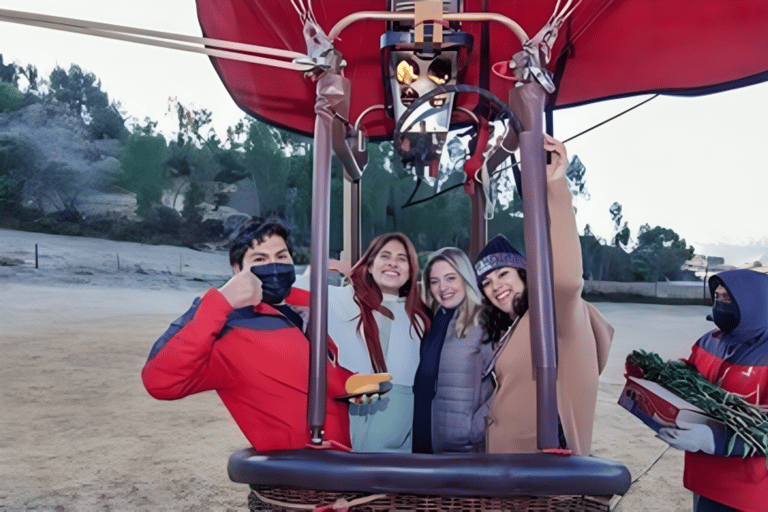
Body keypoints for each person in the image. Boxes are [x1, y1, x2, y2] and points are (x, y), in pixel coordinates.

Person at [141, 217, 353, 451]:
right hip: (296, 471)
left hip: (339, 458)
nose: (274, 265)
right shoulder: (229, 327)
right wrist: (218, 303)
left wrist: (349, 387)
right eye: (260, 259)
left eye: (281, 257)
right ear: (237, 269)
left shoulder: (307, 310)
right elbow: (161, 383)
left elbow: (308, 375)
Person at [474, 135, 613, 455]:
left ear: (525, 274)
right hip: (508, 474)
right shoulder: (512, 326)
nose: (495, 286)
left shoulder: (553, 314)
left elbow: (565, 280)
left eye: (503, 273)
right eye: (486, 282)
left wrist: (555, 188)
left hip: (544, 479)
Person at [657, 269, 768, 512]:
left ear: (754, 300)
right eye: (716, 297)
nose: (720, 304)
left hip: (750, 492)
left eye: (727, 298)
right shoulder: (708, 341)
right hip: (704, 478)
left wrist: (715, 439)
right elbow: (688, 389)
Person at [327, 232, 431, 452]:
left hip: (398, 451)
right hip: (345, 440)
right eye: (385, 256)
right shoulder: (338, 300)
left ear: (411, 271)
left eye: (402, 259)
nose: (393, 263)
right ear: (370, 264)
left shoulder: (420, 318)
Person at [412, 247, 493, 453]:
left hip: (462, 446)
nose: (442, 288)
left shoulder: (485, 321)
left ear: (465, 278)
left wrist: (474, 430)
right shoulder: (436, 319)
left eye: (450, 278)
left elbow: (507, 385)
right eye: (435, 281)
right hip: (425, 434)